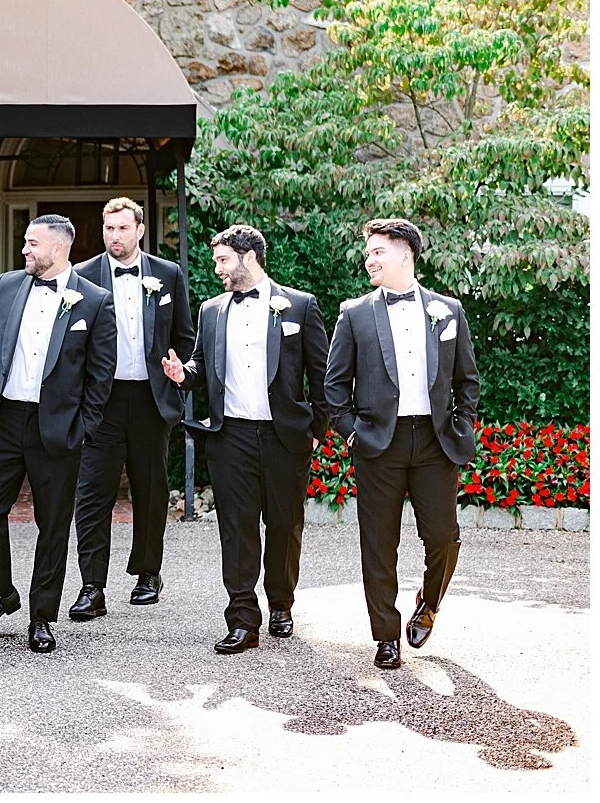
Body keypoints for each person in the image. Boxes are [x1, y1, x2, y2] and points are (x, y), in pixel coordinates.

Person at [161, 224, 329, 654]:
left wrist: (317, 432)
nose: (217, 268)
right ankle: (241, 619)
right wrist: (183, 375)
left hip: (284, 436)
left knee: (285, 526)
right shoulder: (211, 310)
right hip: (230, 436)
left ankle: (281, 603)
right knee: (236, 529)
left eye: (223, 260)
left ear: (249, 257)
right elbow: (201, 365)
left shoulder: (299, 305)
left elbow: (321, 376)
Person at [325, 218, 480, 670]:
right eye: (368, 252)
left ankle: (429, 603)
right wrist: (352, 432)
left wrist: (462, 423)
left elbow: (467, 380)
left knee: (444, 537)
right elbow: (335, 386)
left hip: (435, 442)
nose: (369, 259)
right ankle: (386, 636)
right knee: (378, 544)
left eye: (378, 251)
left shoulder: (448, 311)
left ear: (406, 254)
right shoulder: (354, 314)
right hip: (378, 444)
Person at [0, 215, 116, 654]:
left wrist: (83, 426)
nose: (25, 249)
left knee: (53, 522)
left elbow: (101, 375)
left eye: (32, 243)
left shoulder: (94, 300)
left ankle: (42, 614)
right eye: (25, 242)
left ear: (58, 249)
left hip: (58, 426)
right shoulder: (8, 285)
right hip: (3, 418)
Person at [70, 197, 194, 616]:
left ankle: (147, 572)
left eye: (123, 228)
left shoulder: (167, 274)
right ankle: (92, 586)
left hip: (150, 398)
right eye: (109, 228)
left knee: (150, 490)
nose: (115, 236)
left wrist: (178, 374)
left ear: (139, 230)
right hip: (101, 402)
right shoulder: (82, 275)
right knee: (92, 493)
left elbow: (184, 335)